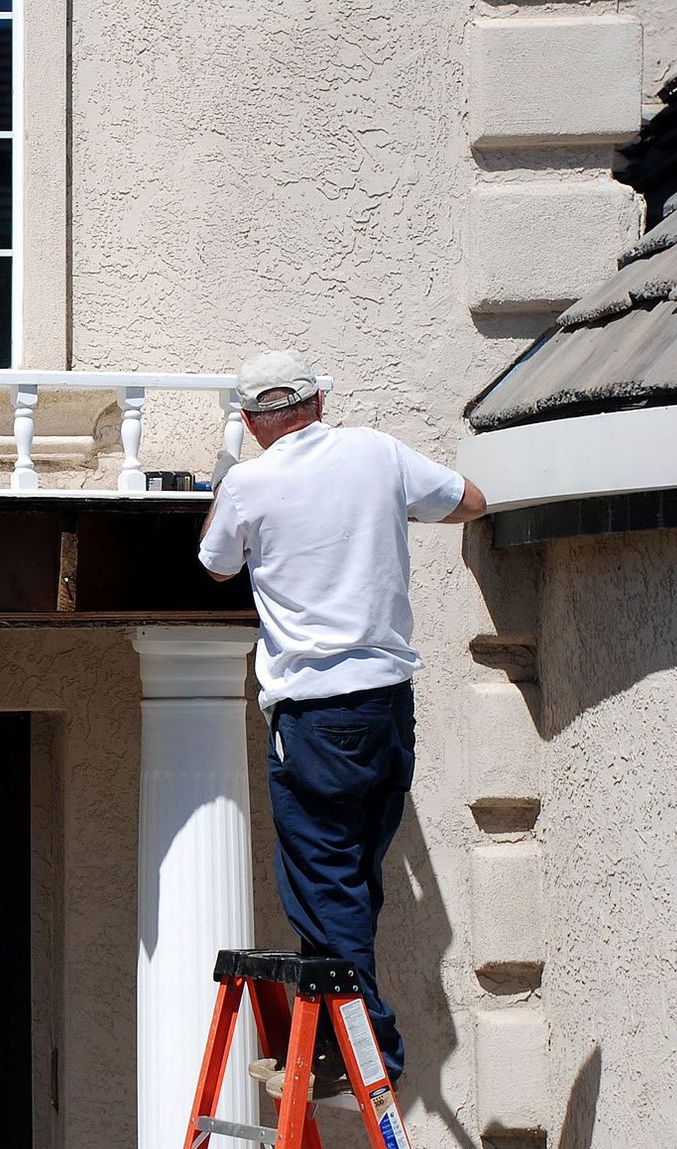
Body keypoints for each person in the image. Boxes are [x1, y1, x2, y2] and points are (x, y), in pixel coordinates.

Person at [198, 350, 486, 1099]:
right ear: (317, 402)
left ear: (256, 421)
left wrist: (227, 468)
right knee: (352, 879)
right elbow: (470, 500)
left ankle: (370, 1051)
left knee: (323, 883)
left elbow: (216, 562)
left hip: (316, 713)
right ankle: (332, 1044)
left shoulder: (251, 481)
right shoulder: (374, 451)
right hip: (389, 706)